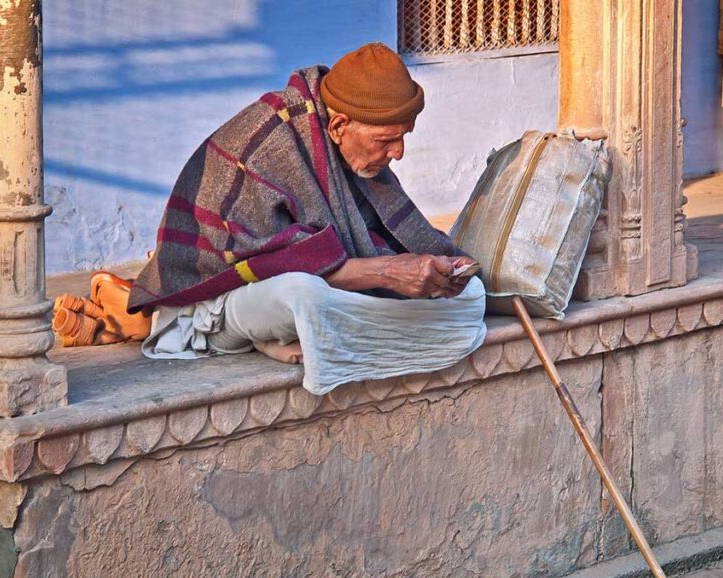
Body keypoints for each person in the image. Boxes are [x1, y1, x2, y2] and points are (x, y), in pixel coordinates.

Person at [68, 43, 487, 396]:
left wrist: (442, 270)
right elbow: (267, 263)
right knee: (303, 295)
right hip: (224, 292)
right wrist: (389, 272)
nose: (398, 153)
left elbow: (390, 233)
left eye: (404, 137)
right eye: (387, 140)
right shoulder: (268, 141)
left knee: (469, 300)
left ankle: (272, 336)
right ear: (339, 125)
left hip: (293, 287)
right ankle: (165, 320)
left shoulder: (347, 147)